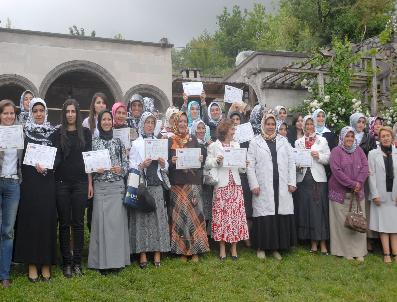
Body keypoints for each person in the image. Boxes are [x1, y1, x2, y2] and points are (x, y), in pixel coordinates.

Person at [14, 98, 58, 282]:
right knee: (31, 222)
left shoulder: (54, 133)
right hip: (30, 185)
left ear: (46, 111)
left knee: (47, 221)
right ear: (31, 113)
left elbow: (59, 157)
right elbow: (18, 158)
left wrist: (49, 167)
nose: (39, 114)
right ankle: (32, 263)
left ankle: (46, 263)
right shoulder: (24, 132)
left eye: (41, 110)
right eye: (35, 111)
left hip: (47, 184)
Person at [247, 113, 297, 260]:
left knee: (277, 216)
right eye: (268, 124)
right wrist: (254, 184)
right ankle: (261, 247)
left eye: (272, 124)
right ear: (263, 125)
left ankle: (276, 248)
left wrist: (291, 182)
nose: (270, 127)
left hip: (281, 185)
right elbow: (249, 166)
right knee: (264, 217)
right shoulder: (255, 142)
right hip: (263, 186)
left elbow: (291, 162)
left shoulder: (284, 141)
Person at [88, 109, 130, 274]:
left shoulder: (119, 142)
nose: (106, 122)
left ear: (112, 122)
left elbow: (126, 166)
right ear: (99, 122)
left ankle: (117, 262)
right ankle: (102, 263)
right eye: (103, 119)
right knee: (101, 225)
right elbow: (88, 167)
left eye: (108, 119)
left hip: (116, 186)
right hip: (101, 187)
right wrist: (94, 169)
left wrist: (120, 169)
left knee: (116, 226)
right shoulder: (94, 142)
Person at [55, 99, 93, 278]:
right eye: (67, 111)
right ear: (64, 113)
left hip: (80, 183)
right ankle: (66, 263)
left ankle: (77, 263)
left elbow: (90, 160)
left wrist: (90, 183)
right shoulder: (57, 133)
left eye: (73, 111)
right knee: (64, 224)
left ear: (78, 113)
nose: (70, 114)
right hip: (61, 183)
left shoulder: (85, 133)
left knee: (78, 224)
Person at [128, 112, 170, 268]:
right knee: (142, 219)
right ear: (142, 124)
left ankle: (158, 251)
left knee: (158, 218)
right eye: (147, 122)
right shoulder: (136, 144)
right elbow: (131, 166)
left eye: (152, 122)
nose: (150, 125)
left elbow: (166, 168)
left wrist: (162, 163)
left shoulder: (159, 142)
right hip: (142, 185)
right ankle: (143, 253)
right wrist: (141, 166)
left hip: (156, 184)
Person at [168, 112, 209, 262]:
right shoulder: (169, 141)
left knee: (194, 218)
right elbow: (164, 164)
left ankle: (195, 250)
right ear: (175, 123)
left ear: (188, 123)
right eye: (180, 121)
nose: (182, 124)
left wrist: (200, 159)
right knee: (181, 217)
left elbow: (203, 161)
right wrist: (171, 161)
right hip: (177, 183)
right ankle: (181, 251)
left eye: (185, 121)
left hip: (193, 182)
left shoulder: (195, 140)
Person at [205, 119, 249, 260]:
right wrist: (217, 161)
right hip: (222, 185)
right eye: (232, 129)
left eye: (234, 129)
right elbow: (207, 164)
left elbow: (241, 169)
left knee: (236, 217)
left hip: (235, 185)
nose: (234, 131)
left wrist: (244, 163)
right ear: (225, 130)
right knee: (222, 217)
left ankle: (234, 248)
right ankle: (222, 248)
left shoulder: (236, 145)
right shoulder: (214, 146)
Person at [328, 126, 368, 261]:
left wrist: (359, 182)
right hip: (339, 194)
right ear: (342, 138)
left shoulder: (359, 150)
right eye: (347, 136)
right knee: (342, 224)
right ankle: (345, 252)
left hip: (357, 193)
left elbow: (365, 167)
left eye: (352, 136)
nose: (350, 139)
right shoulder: (336, 151)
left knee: (357, 222)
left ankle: (358, 252)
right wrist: (352, 184)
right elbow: (336, 171)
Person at [295, 116, 330, 254]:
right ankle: (313, 243)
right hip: (303, 180)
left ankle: (323, 243)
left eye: (311, 124)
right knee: (307, 210)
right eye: (307, 124)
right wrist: (297, 164)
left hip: (318, 180)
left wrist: (319, 157)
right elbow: (295, 160)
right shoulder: (298, 142)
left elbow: (328, 158)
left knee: (319, 211)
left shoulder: (322, 140)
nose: (309, 127)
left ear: (315, 126)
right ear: (303, 126)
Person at [0, 100, 23, 288]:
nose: (9, 117)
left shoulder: (19, 133)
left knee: (8, 231)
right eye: (5, 113)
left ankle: (5, 274)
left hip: (13, 183)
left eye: (11, 113)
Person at [368, 126, 397, 263]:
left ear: (392, 137)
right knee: (383, 225)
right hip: (380, 195)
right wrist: (374, 194)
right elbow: (371, 175)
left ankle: (395, 254)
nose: (385, 138)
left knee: (395, 226)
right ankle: (386, 254)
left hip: (395, 195)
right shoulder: (373, 154)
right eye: (383, 136)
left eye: (388, 136)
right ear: (379, 139)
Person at [350, 112, 377, 251]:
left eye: (363, 122)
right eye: (358, 122)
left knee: (366, 206)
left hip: (365, 175)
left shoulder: (369, 137)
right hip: (351, 175)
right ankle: (354, 233)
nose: (361, 125)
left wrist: (370, 169)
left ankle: (368, 238)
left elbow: (373, 155)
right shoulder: (348, 135)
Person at [230, 111, 253, 246]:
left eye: (238, 119)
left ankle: (247, 236)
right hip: (233, 175)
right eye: (233, 119)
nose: (236, 121)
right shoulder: (228, 139)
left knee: (247, 207)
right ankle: (237, 235)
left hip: (244, 175)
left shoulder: (247, 137)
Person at [191, 119, 213, 233]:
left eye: (203, 128)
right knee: (199, 206)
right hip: (197, 178)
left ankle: (207, 235)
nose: (201, 130)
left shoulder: (208, 143)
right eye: (198, 128)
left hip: (207, 179)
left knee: (207, 206)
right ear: (194, 130)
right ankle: (199, 233)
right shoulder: (192, 143)